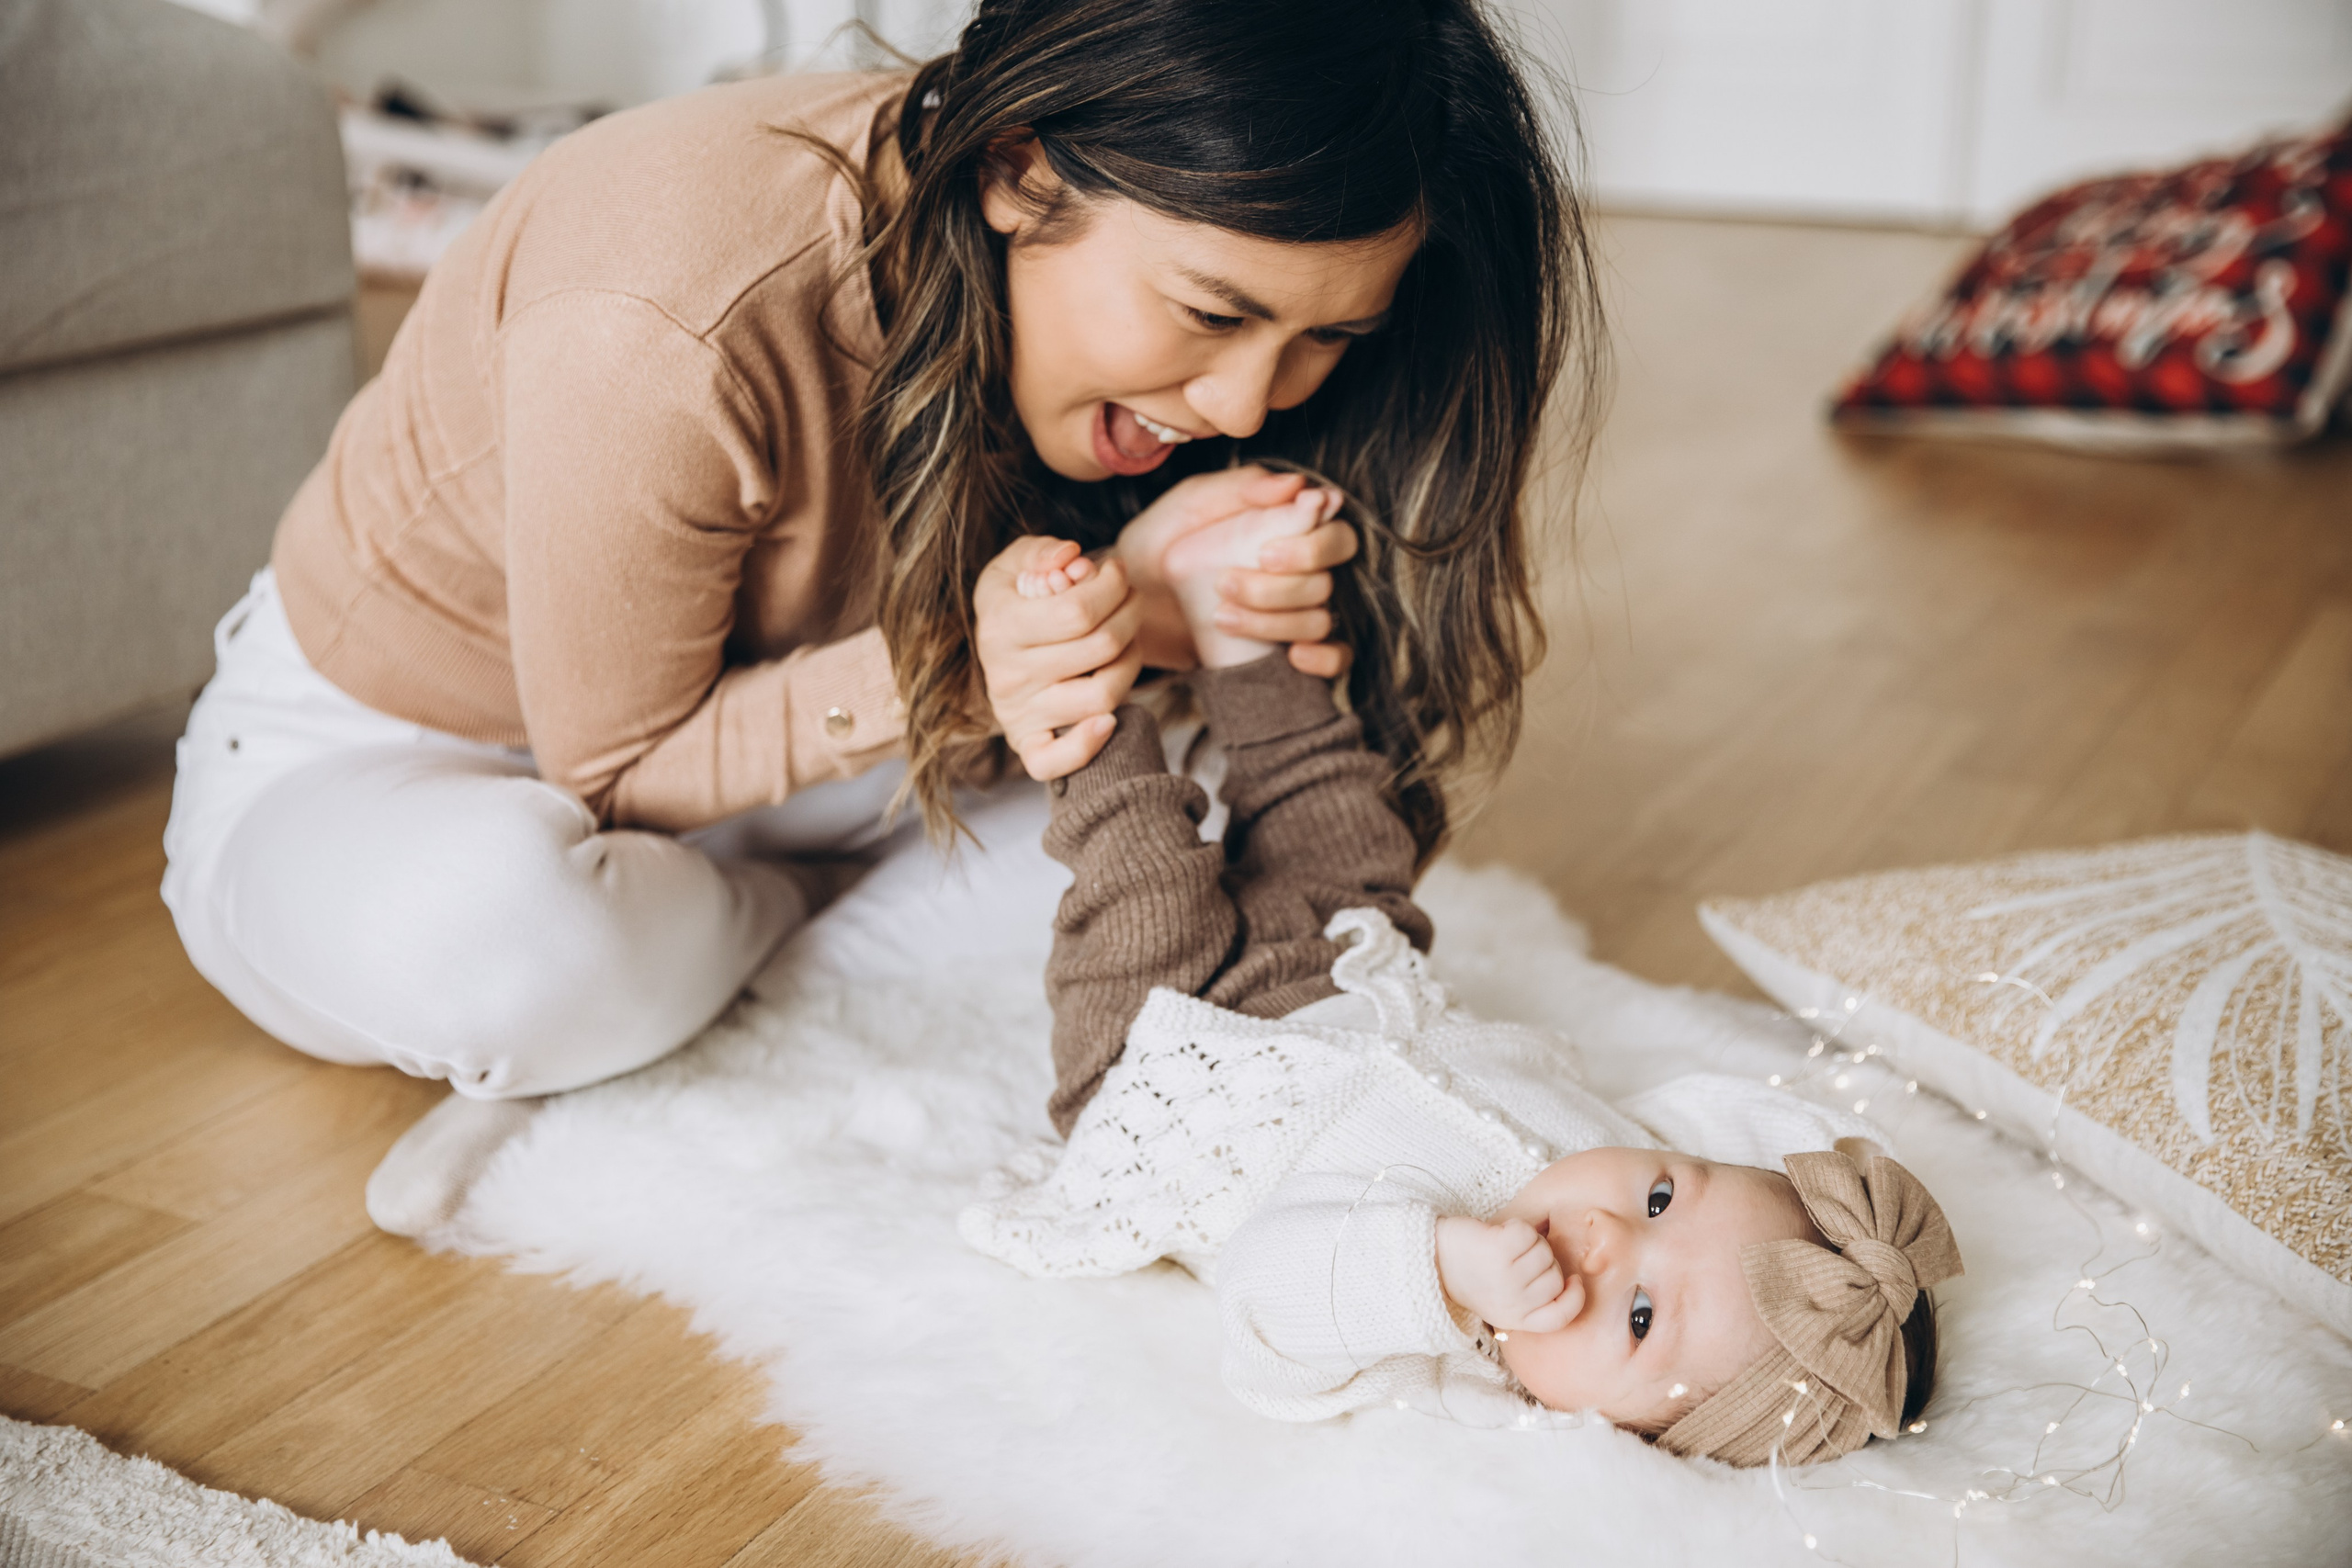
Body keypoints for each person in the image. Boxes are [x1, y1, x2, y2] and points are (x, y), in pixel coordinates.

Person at [162, 0, 1603, 1235]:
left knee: (1225, 905)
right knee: (495, 933)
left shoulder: (1143, 304)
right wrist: (1025, 650)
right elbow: (613, 772)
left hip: (839, 754)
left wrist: (1188, 612)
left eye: (1325, 341)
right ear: (1017, 170)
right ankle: (779, 942)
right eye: (1212, 315)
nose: (1243, 405)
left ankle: (715, 973)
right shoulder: (665, 307)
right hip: (423, 758)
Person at [960, 501, 1960, 1462]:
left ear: (1622, 1431)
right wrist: (1811, 1202)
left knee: (1145, 872)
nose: (1609, 1234)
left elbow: (1263, 1305)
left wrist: (1436, 1270)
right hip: (1347, 972)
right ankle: (1238, 630)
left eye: (1640, 1316)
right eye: (1660, 1196)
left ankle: (1071, 674)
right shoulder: (1649, 1158)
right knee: (1352, 835)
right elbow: (1736, 1127)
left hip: (1167, 1061)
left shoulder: (1448, 1365)